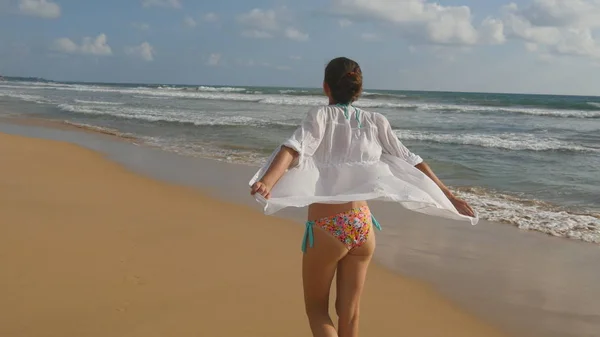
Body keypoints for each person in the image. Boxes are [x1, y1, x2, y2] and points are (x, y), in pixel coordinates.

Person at [249, 57, 477, 337]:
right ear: (357, 89)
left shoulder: (320, 116)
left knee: (317, 310)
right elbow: (412, 160)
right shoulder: (376, 121)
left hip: (326, 228)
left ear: (326, 87)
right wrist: (449, 196)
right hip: (362, 225)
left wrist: (267, 181)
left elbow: (293, 148)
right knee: (350, 312)